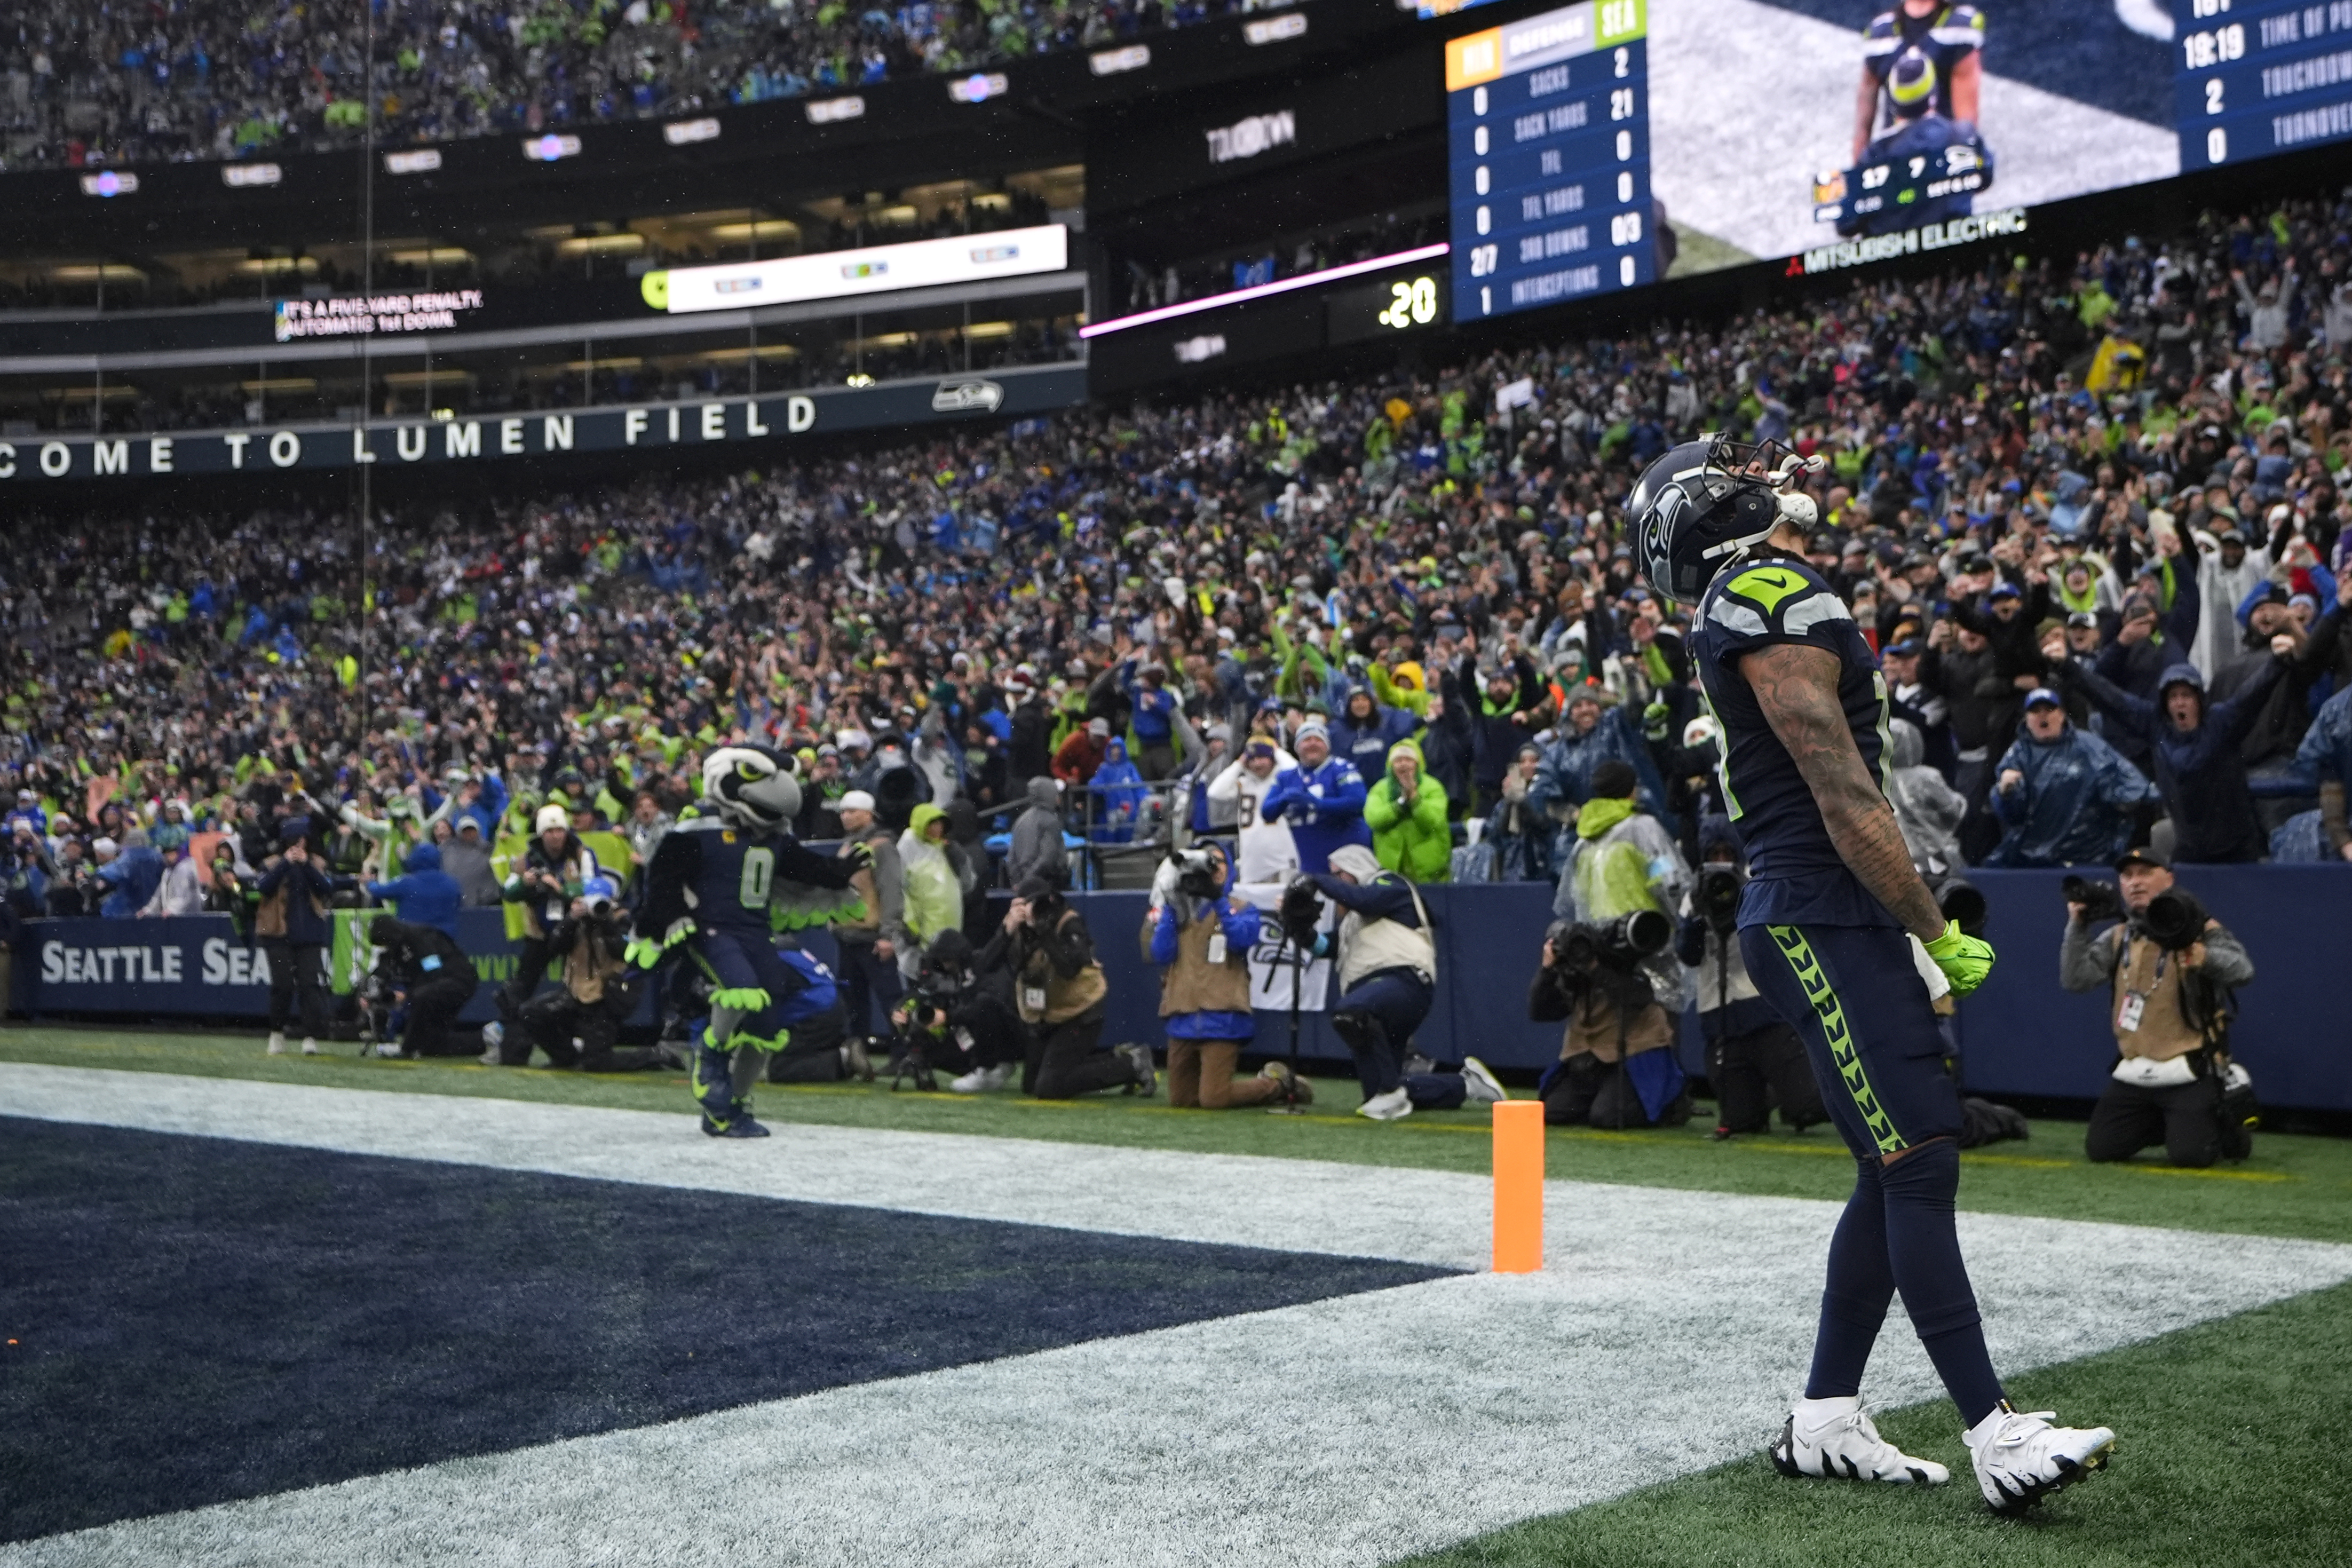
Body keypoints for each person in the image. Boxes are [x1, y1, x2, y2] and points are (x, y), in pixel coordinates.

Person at [1632, 435, 2114, 1512]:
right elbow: (1844, 791)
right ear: (1719, 513)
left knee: (1888, 1162)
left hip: (1825, 906)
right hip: (1820, 909)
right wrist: (1931, 927)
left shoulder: (1758, 593)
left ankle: (1824, 1414)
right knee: (1919, 1158)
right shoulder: (1762, 591)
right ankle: (1994, 1432)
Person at [628, 746, 868, 1137]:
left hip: (756, 930)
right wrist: (668, 920)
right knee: (741, 991)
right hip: (712, 927)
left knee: (766, 1024)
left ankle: (731, 1107)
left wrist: (838, 872)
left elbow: (805, 869)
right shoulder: (696, 831)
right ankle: (712, 1053)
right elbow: (663, 881)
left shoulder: (774, 836)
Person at [2060, 848, 2254, 1168]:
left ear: (2169, 878)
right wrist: (2077, 926)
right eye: (2128, 875)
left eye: (2145, 873)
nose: (2135, 882)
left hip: (2188, 1068)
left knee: (2191, 1157)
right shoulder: (2120, 935)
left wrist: (2205, 958)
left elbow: (2244, 970)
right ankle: (2169, 1122)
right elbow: (2075, 980)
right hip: (2136, 1069)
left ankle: (2224, 1126)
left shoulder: (2199, 927)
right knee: (2103, 1149)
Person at [1297, 843, 1502, 1121]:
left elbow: (1367, 900)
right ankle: (1465, 1084)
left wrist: (1315, 880)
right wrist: (1299, 929)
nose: (1334, 884)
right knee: (1379, 1092)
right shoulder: (1353, 922)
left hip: (1401, 981)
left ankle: (1392, 1092)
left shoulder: (1390, 883)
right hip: (1378, 995)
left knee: (1350, 1012)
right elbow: (1325, 947)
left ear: (1358, 868)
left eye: (1338, 875)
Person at [1677, 822, 1824, 1138]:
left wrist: (1745, 901)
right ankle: (1762, 1095)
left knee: (1809, 1107)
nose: (1720, 860)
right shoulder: (1695, 894)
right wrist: (1696, 920)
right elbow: (1687, 956)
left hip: (1764, 1006)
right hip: (1719, 1012)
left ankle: (1780, 1088)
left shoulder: (1756, 882)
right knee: (1742, 1122)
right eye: (1713, 854)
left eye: (1726, 853)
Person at [2067, 654, 2287, 863]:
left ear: (2199, 700)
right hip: (2190, 846)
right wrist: (2066, 666)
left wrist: (2278, 662)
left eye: (2187, 696)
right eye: (2173, 697)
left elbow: (2251, 695)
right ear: (2165, 704)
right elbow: (2111, 699)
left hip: (2237, 845)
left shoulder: (2221, 722)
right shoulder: (2155, 725)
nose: (2180, 703)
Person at [1145, 840, 1304, 1110]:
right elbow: (1161, 954)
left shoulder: (1243, 908)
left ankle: (1278, 1084)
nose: (1211, 868)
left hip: (1223, 1017)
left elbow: (1242, 940)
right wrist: (1171, 904)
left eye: (1218, 862)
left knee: (1213, 1099)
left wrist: (1218, 900)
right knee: (1181, 1100)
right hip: (1182, 1014)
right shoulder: (1180, 912)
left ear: (1229, 869)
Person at [987, 876, 1154, 1099]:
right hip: (1047, 1016)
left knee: (1049, 1087)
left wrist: (1044, 933)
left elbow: (1069, 970)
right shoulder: (1017, 927)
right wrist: (1005, 933)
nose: (1023, 911)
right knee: (1032, 1084)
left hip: (1080, 1012)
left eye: (1027, 905)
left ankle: (1131, 1065)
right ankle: (1116, 1059)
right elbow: (986, 966)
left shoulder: (1068, 923)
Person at [504, 881, 664, 1072]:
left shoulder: (624, 920)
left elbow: (624, 952)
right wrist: (572, 919)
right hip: (576, 994)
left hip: (606, 998)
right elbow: (555, 946)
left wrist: (606, 922)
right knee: (531, 1013)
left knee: (598, 1062)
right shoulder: (577, 921)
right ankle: (566, 1058)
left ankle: (654, 1056)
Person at [1985, 690, 2154, 867]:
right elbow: (2012, 816)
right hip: (2033, 859)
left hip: (2090, 856)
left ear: (2062, 715)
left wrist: (2122, 797)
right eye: (2036, 712)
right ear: (2026, 719)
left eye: (2049, 710)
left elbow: (2133, 785)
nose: (2043, 716)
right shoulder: (2017, 755)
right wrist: (2005, 793)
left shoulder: (2091, 746)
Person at [497, 803, 604, 1023]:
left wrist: (561, 888)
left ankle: (582, 1030)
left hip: (576, 930)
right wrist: (524, 885)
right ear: (541, 834)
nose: (556, 837)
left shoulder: (582, 855)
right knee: (522, 983)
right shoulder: (525, 860)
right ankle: (511, 1029)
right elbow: (508, 893)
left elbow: (595, 887)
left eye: (560, 831)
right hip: (540, 930)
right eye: (550, 832)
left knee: (581, 984)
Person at [255, 819, 350, 1057]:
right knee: (282, 985)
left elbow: (326, 888)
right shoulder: (271, 864)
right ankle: (277, 1032)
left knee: (310, 986)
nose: (299, 844)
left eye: (302, 839)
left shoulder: (317, 863)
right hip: (277, 933)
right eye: (295, 840)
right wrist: (285, 864)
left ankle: (310, 1036)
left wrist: (306, 866)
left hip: (309, 933)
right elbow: (264, 887)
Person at [828, 789, 908, 1051]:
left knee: (890, 999)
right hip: (848, 934)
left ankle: (904, 1054)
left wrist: (888, 935)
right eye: (843, 811)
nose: (845, 816)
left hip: (871, 936)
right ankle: (857, 1054)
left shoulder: (881, 847)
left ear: (869, 814)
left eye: (852, 811)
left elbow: (892, 890)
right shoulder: (850, 845)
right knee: (853, 1001)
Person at [1257, 718, 1371, 874]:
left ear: (1327, 747)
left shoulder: (1342, 768)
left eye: (1318, 740)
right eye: (1307, 740)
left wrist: (1317, 803)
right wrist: (1283, 799)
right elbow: (1267, 812)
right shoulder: (1286, 777)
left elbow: (1357, 802)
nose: (1313, 744)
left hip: (1347, 863)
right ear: (1297, 747)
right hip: (1310, 863)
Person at [365, 913, 482, 1059]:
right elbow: (381, 974)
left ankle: (407, 1048)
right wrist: (375, 994)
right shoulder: (396, 947)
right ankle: (483, 1040)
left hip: (458, 980)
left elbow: (433, 971)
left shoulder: (420, 937)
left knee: (422, 995)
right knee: (433, 1046)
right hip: (442, 983)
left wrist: (407, 995)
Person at [1206, 737, 1300, 890]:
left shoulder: (1282, 780)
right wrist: (1239, 763)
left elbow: (1296, 771)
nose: (1257, 763)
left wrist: (1276, 751)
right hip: (1252, 864)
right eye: (1252, 759)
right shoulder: (1243, 784)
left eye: (1262, 757)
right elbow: (1215, 792)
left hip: (1282, 861)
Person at [1363, 739, 1451, 883]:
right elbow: (1374, 819)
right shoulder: (1380, 789)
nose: (1403, 764)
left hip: (1430, 874)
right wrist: (1399, 805)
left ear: (1418, 764)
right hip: (1391, 873)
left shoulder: (1433, 787)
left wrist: (1415, 799)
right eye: (1398, 760)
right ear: (1391, 766)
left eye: (1409, 760)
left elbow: (1432, 821)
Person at [365, 840, 462, 936]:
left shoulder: (407, 882)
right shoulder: (452, 883)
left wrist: (370, 882)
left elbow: (380, 891)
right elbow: (459, 905)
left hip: (413, 938)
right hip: (445, 938)